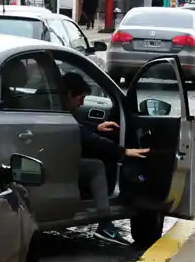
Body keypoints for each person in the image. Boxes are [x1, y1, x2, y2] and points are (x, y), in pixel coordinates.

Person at [60, 71, 149, 245]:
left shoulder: (49, 106)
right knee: (96, 167)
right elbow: (86, 137)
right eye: (81, 98)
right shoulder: (58, 113)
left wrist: (97, 127)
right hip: (56, 163)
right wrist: (123, 152)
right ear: (69, 94)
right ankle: (105, 224)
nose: (82, 103)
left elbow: (78, 128)